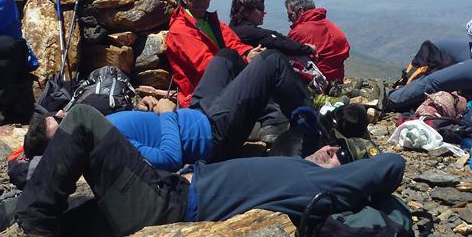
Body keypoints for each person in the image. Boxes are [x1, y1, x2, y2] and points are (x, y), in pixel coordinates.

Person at [0, 102, 406, 237]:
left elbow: (390, 167)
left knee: (81, 119)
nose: (333, 150)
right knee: (36, 203)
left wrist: (354, 173)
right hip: (161, 198)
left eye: (343, 156)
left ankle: (33, 232)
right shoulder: (301, 170)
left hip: (169, 209)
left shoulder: (317, 186)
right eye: (336, 147)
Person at [19, 49, 311, 177]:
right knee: (272, 62)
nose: (62, 115)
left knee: (226, 58)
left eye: (57, 117)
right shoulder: (105, 144)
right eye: (59, 125)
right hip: (213, 133)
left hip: (195, 113)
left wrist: (144, 110)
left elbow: (144, 130)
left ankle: (269, 117)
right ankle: (314, 132)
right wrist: (166, 112)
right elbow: (169, 159)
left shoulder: (96, 128)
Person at [165, 0, 253, 108]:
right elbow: (205, 64)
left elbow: (233, 43)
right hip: (202, 97)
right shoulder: (180, 29)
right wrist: (244, 61)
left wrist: (249, 53)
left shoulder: (211, 21)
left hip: (224, 84)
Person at [284, 0, 350, 84]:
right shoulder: (332, 26)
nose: (289, 19)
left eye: (290, 15)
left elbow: (285, 54)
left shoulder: (298, 31)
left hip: (315, 83)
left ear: (300, 11)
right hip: (337, 81)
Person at [229, 0, 316, 57]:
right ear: (246, 11)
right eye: (261, 8)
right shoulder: (248, 32)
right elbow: (280, 43)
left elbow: (272, 37)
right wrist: (309, 49)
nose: (264, 12)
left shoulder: (235, 28)